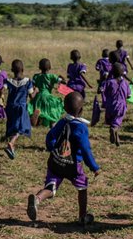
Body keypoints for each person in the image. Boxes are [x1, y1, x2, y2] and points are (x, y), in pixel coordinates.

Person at [26, 91, 100, 227]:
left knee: (51, 186)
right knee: (82, 187)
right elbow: (85, 149)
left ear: (65, 109)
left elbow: (50, 136)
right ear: (82, 110)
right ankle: (82, 217)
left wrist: (52, 148)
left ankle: (37, 198)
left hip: (56, 161)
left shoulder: (62, 121)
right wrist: (93, 167)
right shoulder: (81, 127)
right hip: (73, 166)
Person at [1, 60, 34, 159]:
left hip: (10, 106)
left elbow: (2, 90)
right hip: (21, 107)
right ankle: (11, 143)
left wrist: (0, 101)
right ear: (23, 70)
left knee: (13, 125)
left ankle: (12, 148)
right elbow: (32, 96)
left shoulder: (8, 81)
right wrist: (36, 90)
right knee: (22, 127)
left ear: (11, 70)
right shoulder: (28, 81)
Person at [99, 59, 131, 145]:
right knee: (117, 122)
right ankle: (114, 130)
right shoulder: (126, 83)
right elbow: (129, 96)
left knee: (113, 122)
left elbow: (101, 90)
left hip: (110, 105)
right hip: (121, 106)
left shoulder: (108, 82)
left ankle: (116, 137)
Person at [30, 59, 65, 127]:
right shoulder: (52, 76)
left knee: (39, 107)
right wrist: (62, 78)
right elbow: (63, 82)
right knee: (54, 107)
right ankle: (52, 123)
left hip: (38, 96)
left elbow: (32, 85)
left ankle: (38, 120)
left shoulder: (36, 76)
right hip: (47, 96)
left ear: (39, 67)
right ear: (50, 67)